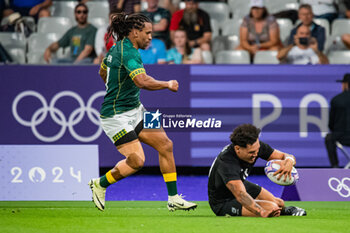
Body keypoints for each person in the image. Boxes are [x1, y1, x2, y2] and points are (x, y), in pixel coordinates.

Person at [88, 12, 197, 212]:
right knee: (137, 161)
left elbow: (103, 70)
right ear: (135, 33)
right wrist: (168, 84)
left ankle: (173, 198)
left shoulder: (115, 49)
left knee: (166, 144)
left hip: (137, 109)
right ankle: (100, 184)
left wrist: (112, 86)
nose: (150, 37)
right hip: (115, 116)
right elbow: (142, 81)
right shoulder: (127, 53)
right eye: (147, 33)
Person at [208, 124, 307, 217]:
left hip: (240, 184)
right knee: (272, 207)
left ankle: (283, 210)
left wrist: (289, 161)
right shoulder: (226, 162)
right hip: (223, 202)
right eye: (251, 152)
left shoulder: (256, 147)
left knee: (279, 203)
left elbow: (284, 156)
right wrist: (261, 212)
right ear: (237, 149)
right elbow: (241, 195)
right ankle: (277, 210)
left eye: (257, 150)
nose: (256, 154)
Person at [325, 74, 350, 168]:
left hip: (341, 136)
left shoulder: (337, 100)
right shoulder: (336, 100)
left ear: (346, 84)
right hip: (342, 135)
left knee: (329, 138)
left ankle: (335, 166)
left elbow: (331, 123)